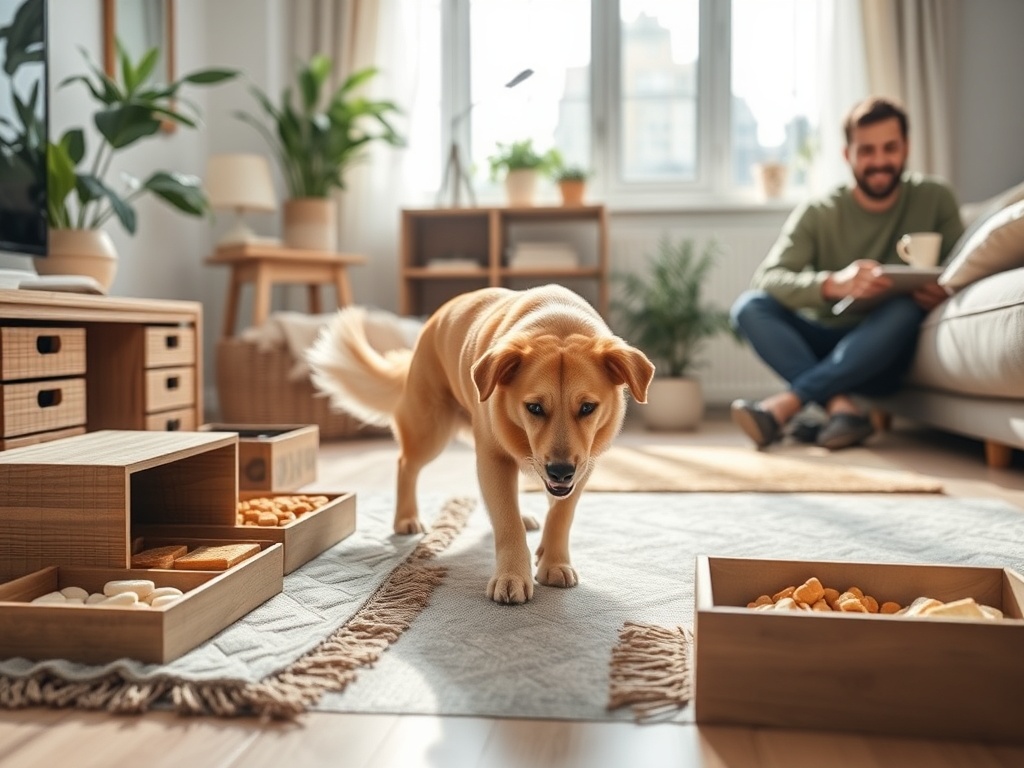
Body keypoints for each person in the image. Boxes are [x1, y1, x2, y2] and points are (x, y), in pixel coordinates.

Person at [730, 96, 964, 450]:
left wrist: (946, 292)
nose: (880, 161)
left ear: (906, 148)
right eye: (866, 150)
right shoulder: (819, 211)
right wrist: (832, 284)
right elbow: (768, 279)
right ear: (847, 154)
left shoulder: (936, 198)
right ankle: (841, 409)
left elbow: (963, 268)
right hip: (826, 343)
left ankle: (786, 406)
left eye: (890, 148)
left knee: (903, 307)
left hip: (890, 353)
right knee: (749, 307)